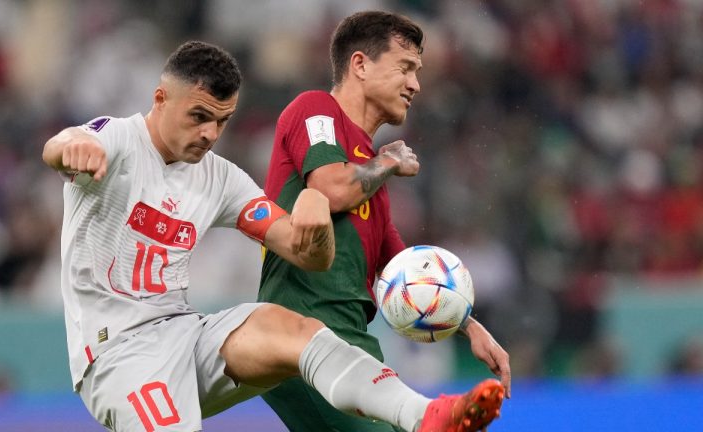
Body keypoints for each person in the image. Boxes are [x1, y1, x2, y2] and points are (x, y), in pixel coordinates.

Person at [42, 40, 503, 432]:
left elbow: (304, 251)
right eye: (199, 116)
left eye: (222, 121)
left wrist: (316, 222)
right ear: (161, 98)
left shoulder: (219, 178)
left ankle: (425, 415)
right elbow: (61, 147)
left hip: (182, 331)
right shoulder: (117, 140)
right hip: (118, 354)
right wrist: (72, 150)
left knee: (289, 326)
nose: (210, 134)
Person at [258, 11, 511, 432]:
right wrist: (389, 161)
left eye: (417, 72)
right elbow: (329, 190)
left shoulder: (369, 173)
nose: (415, 84)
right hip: (301, 337)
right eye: (405, 67)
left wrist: (470, 326)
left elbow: (401, 269)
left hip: (349, 343)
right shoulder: (315, 109)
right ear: (360, 64)